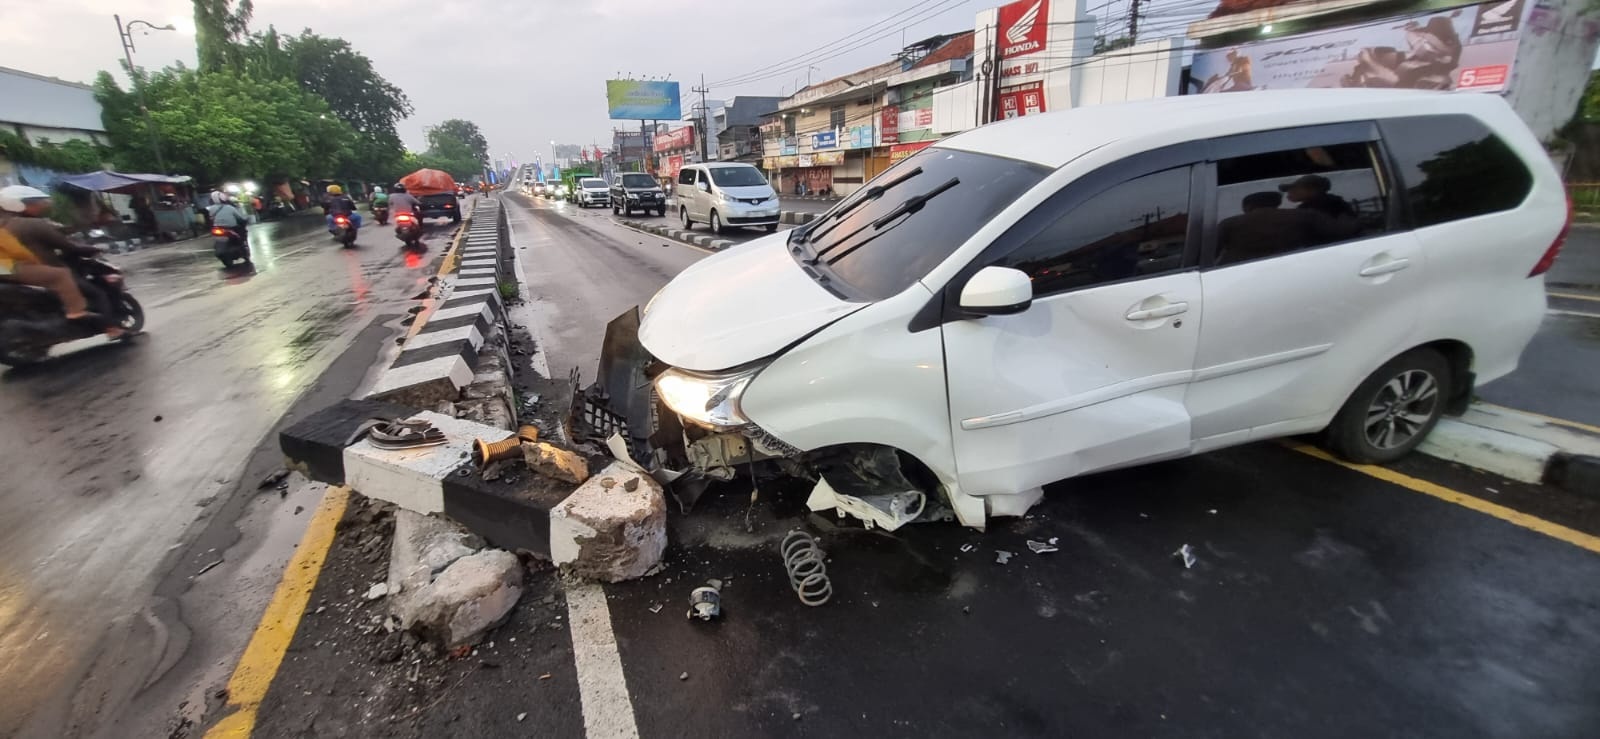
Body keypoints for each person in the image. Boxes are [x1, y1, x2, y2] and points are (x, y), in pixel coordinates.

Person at [0, 185, 111, 330]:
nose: (42, 205)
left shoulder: (8, 224)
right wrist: (30, 261)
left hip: (7, 269)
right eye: (35, 202)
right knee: (62, 276)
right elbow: (16, 250)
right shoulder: (30, 224)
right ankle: (77, 312)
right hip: (7, 267)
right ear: (19, 204)